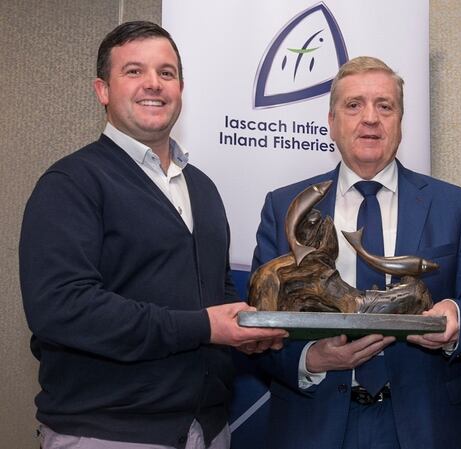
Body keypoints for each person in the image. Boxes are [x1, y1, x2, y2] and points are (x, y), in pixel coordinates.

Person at [19, 21, 286, 449]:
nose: (153, 84)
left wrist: (245, 331)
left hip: (209, 430)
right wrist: (204, 327)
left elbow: (214, 297)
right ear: (102, 90)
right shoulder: (71, 183)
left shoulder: (202, 187)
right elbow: (61, 309)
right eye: (134, 71)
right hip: (108, 433)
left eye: (166, 73)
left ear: (181, 87)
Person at [251, 56, 461, 449]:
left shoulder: (452, 205)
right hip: (313, 423)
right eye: (354, 105)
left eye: (385, 106)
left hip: (423, 426)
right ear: (332, 122)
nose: (370, 118)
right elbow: (256, 321)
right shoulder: (287, 207)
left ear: (400, 121)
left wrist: (454, 318)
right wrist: (310, 360)